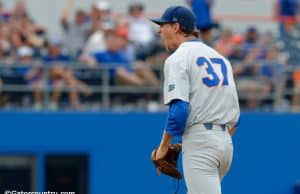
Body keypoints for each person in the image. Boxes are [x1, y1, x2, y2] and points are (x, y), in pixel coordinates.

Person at [150, 6, 240, 194]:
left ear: (175, 27)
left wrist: (163, 147)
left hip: (201, 144)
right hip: (225, 143)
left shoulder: (178, 58)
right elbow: (236, 119)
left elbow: (179, 110)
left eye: (163, 25)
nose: (159, 30)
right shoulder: (221, 59)